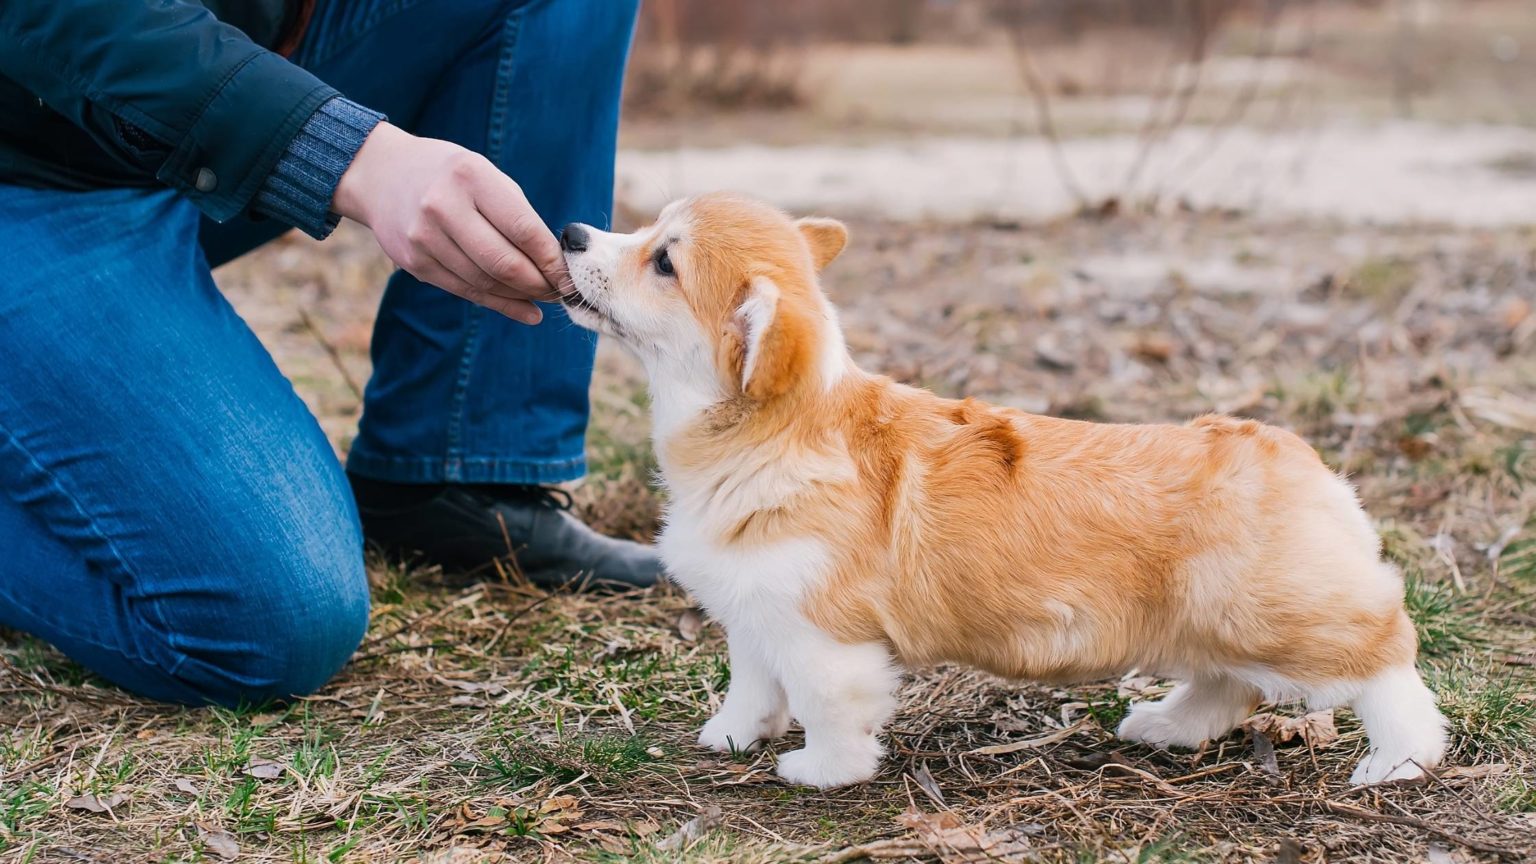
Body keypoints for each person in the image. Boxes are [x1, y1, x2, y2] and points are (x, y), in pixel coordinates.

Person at [0, 0, 658, 708]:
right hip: (32, 167)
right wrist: (350, 151)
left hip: (191, 95)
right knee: (266, 621)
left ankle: (457, 473)